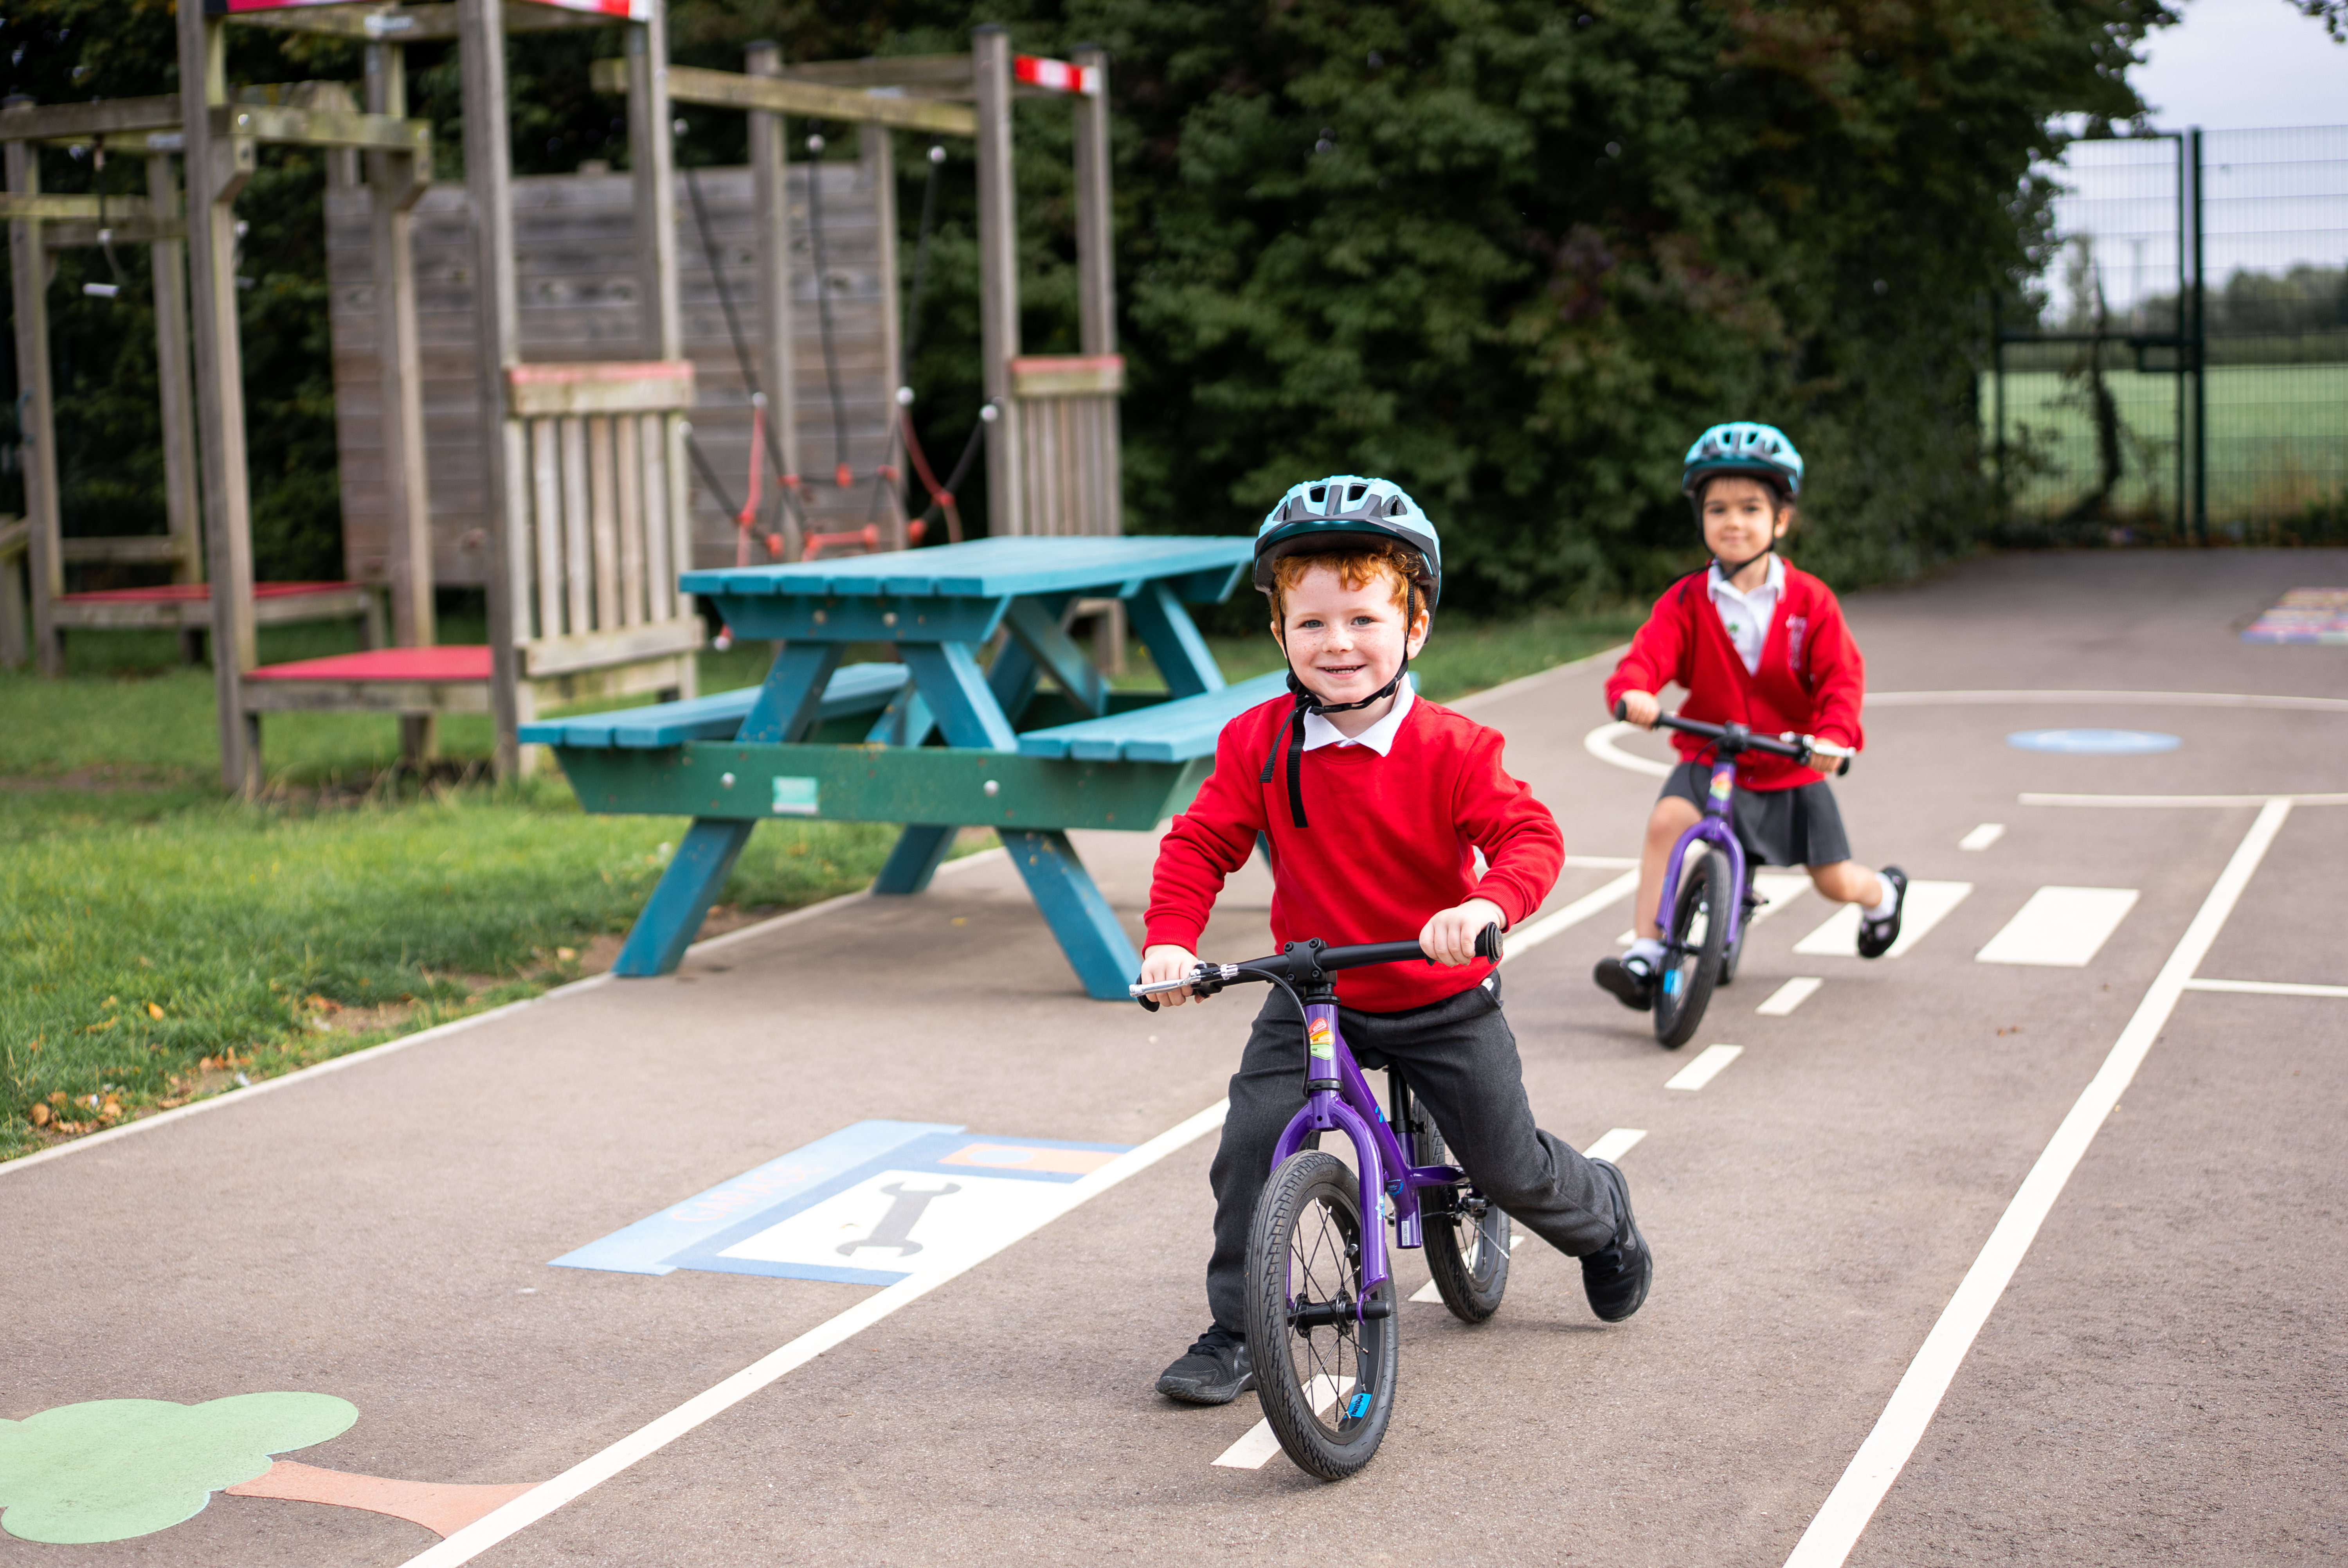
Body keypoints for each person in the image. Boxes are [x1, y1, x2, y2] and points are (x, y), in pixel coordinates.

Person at [1137, 475, 1654, 1406]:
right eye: (1313, 624)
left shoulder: (1453, 747)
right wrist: (1171, 941)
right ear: (1280, 635)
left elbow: (1530, 839)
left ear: (1415, 628)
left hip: (1436, 991)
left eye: (1365, 620)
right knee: (1252, 1142)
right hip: (1314, 989)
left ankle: (1601, 1215)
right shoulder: (1259, 742)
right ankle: (1242, 1327)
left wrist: (1488, 905)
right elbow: (1201, 843)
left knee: (1507, 1166)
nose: (1338, 644)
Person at [1594, 423, 1908, 1012]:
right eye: (1717, 509)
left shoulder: (1810, 600)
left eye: (1750, 508)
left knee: (1834, 880)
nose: (1733, 521)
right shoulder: (1688, 599)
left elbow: (1842, 677)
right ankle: (1645, 951)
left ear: (1781, 521)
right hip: (1713, 754)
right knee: (1667, 822)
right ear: (1702, 519)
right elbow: (1649, 654)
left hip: (1790, 761)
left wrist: (1833, 736)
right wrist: (1634, 691)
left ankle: (1882, 894)